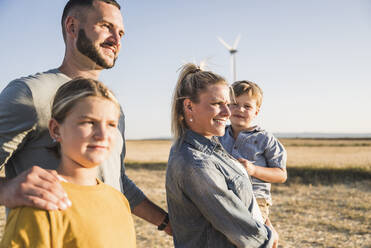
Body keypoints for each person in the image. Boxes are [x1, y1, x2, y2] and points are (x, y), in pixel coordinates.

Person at [0, 0, 170, 234]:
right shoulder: (30, 94)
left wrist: (166, 223)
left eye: (120, 32)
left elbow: (116, 180)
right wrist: (7, 190)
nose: (116, 40)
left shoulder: (111, 106)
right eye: (105, 26)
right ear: (72, 27)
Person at [0, 78, 136, 247]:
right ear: (56, 129)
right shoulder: (41, 203)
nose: (102, 134)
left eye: (111, 124)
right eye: (88, 122)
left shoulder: (119, 200)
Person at [166, 63, 275, 248]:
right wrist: (268, 238)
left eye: (227, 104)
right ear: (189, 106)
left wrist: (266, 224)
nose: (227, 112)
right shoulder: (196, 163)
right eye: (217, 104)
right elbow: (237, 225)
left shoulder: (211, 147)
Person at [219, 80, 287, 244]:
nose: (240, 110)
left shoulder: (265, 139)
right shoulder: (219, 135)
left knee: (252, 240)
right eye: (234, 104)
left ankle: (270, 236)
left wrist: (253, 170)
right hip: (226, 197)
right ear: (227, 106)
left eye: (247, 106)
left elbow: (281, 175)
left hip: (256, 199)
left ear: (257, 111)